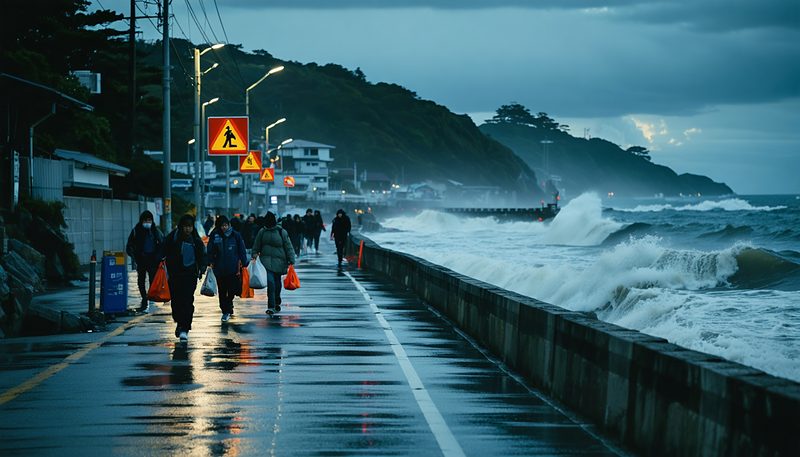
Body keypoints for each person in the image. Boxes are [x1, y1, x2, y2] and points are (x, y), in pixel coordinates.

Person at [163, 214, 207, 342]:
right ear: (181, 226)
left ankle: (185, 328)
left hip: (190, 275)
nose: (188, 229)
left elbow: (202, 255)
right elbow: (163, 250)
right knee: (176, 302)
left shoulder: (195, 240)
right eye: (185, 226)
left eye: (190, 227)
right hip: (174, 275)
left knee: (187, 302)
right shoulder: (173, 237)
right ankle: (179, 322)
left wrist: (202, 268)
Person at [252, 211, 296, 315]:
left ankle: (277, 300)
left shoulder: (281, 232)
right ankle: (271, 306)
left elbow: (288, 246)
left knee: (277, 283)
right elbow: (257, 244)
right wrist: (254, 253)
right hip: (266, 262)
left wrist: (291, 259)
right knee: (271, 283)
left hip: (280, 262)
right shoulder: (262, 232)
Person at [207, 215, 248, 322]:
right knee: (222, 289)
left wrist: (244, 262)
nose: (224, 227)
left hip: (233, 268)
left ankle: (229, 305)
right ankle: (225, 310)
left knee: (232, 289)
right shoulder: (215, 235)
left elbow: (241, 250)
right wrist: (210, 261)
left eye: (226, 225)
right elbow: (210, 250)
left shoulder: (236, 235)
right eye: (222, 225)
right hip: (219, 268)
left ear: (229, 225)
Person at [125, 210, 164, 312]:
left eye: (149, 220)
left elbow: (162, 244)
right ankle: (144, 297)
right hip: (141, 259)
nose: (147, 222)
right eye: (145, 220)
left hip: (153, 260)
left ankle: (150, 296)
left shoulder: (156, 231)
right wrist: (134, 256)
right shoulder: (136, 231)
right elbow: (129, 246)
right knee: (141, 280)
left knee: (152, 279)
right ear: (141, 221)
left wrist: (159, 256)